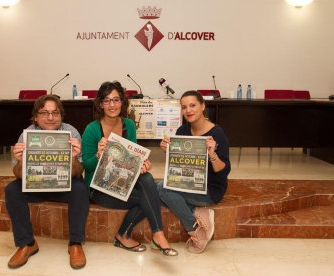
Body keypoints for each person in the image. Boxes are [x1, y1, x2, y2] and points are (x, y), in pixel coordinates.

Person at [81, 81, 177, 256]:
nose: (112, 105)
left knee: (147, 179)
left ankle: (156, 233)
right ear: (101, 104)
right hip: (99, 187)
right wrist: (98, 156)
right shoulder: (92, 129)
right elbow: (85, 165)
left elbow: (133, 158)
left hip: (123, 181)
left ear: (122, 102)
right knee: (149, 196)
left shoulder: (129, 125)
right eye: (107, 101)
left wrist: (142, 163)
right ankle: (129, 235)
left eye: (116, 100)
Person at [5, 95, 89, 269]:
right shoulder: (26, 135)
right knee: (12, 190)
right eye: (44, 113)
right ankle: (27, 244)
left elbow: (79, 171)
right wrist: (21, 161)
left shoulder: (71, 133)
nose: (50, 117)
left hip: (64, 185)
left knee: (81, 189)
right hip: (37, 185)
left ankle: (75, 243)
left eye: (55, 113)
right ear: (36, 116)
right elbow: (17, 174)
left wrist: (73, 158)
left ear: (61, 116)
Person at [158, 90, 231, 253]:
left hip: (210, 190)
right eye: (184, 107)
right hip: (187, 184)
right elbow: (178, 167)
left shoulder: (217, 133)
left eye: (192, 105)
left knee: (161, 188)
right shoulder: (182, 131)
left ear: (203, 106)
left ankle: (196, 231)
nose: (188, 110)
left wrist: (212, 154)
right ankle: (198, 210)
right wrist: (168, 150)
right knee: (156, 188)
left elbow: (224, 171)